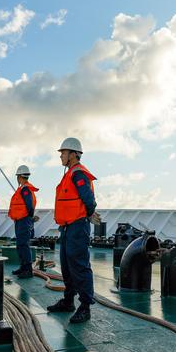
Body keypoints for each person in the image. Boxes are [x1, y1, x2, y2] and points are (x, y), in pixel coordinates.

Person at [46, 137, 96, 324]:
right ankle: (68, 301)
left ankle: (85, 307)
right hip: (67, 227)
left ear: (74, 155)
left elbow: (89, 201)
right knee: (67, 266)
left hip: (77, 226)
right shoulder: (70, 174)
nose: (61, 156)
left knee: (79, 266)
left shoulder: (79, 174)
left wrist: (85, 215)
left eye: (63, 153)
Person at [9, 165, 39, 278]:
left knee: (23, 245)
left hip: (24, 220)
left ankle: (28, 270)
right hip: (20, 220)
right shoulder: (22, 188)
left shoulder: (25, 189)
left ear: (19, 177)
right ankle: (23, 267)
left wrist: (29, 219)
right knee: (20, 245)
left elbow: (29, 205)